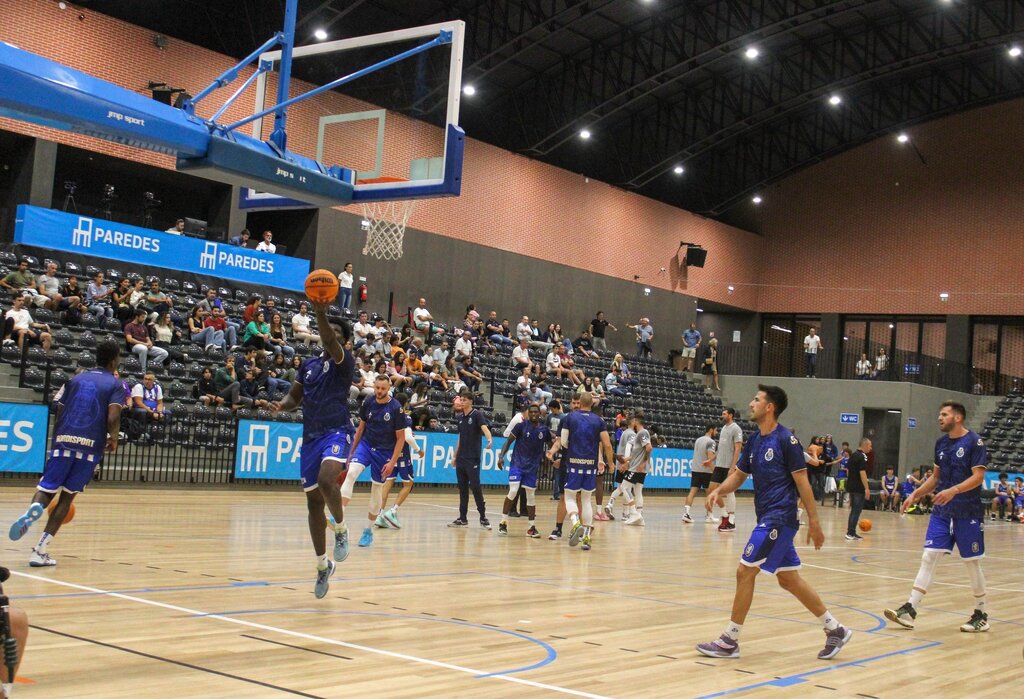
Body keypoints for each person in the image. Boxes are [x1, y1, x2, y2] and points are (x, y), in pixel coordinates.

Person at [697, 384, 852, 660]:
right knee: (788, 579)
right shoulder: (755, 441)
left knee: (745, 572)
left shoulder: (786, 441)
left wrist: (814, 521)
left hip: (779, 518)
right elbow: (740, 475)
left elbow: (802, 481)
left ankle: (730, 640)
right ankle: (835, 628)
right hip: (768, 516)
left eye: (756, 400)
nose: (751, 403)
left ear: (770, 407)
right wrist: (719, 489)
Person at [9, 340, 126, 566]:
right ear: (114, 360)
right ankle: (39, 550)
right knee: (67, 497)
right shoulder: (115, 384)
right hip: (89, 447)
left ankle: (35, 509)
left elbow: (59, 408)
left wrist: (59, 437)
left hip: (63, 439)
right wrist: (113, 438)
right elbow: (113, 417)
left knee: (46, 488)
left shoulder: (76, 378)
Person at [270, 304, 354, 598]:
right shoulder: (308, 366)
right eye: (330, 331)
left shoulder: (345, 361)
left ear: (346, 341)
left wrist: (320, 309)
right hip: (310, 437)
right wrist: (283, 405)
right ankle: (322, 565)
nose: (332, 336)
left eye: (338, 334)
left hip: (337, 430)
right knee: (313, 505)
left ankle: (341, 531)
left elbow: (329, 338)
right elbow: (295, 397)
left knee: (329, 478)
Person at [884, 401, 990, 633]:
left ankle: (981, 612)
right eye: (939, 414)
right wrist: (915, 494)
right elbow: (936, 478)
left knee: (971, 563)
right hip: (942, 512)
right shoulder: (941, 443)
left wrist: (954, 490)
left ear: (958, 418)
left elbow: (978, 477)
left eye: (944, 414)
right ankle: (910, 608)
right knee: (929, 556)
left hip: (967, 511)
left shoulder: (974, 442)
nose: (939, 418)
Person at [343, 375, 405, 548]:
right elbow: (360, 428)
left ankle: (368, 531)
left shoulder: (396, 408)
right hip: (366, 444)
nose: (379, 391)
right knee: (351, 472)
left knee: (376, 489)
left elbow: (400, 439)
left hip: (384, 452)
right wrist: (350, 452)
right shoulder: (368, 402)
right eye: (377, 388)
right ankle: (337, 516)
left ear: (389, 388)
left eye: (383, 389)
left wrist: (392, 462)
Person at [547, 392, 613, 551]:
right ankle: (587, 538)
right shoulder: (599, 421)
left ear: (579, 403)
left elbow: (562, 441)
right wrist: (610, 463)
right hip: (590, 466)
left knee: (568, 497)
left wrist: (572, 450)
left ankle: (576, 523)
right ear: (592, 404)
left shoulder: (569, 418)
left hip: (574, 463)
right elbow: (607, 444)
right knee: (585, 500)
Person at [497, 403, 550, 538]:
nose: (533, 414)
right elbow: (508, 442)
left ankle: (531, 527)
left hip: (532, 468)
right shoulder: (521, 426)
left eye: (535, 412)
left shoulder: (544, 430)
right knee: (513, 491)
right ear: (528, 413)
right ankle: (503, 522)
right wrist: (501, 456)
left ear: (540, 414)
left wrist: (552, 455)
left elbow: (552, 443)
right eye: (531, 412)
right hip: (517, 465)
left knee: (531, 497)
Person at [376, 393, 423, 530]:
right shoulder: (404, 417)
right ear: (406, 403)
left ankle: (380, 514)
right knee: (408, 484)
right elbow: (408, 437)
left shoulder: (388, 415)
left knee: (388, 483)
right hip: (402, 455)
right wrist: (419, 450)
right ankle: (393, 511)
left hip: (390, 454)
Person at [448, 389, 493, 529]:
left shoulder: (477, 414)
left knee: (475, 487)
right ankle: (463, 518)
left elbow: (484, 428)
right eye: (461, 399)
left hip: (472, 458)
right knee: (462, 489)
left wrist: (489, 439)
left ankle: (483, 517)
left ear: (471, 401)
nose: (462, 402)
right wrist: (455, 456)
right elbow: (460, 438)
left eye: (464, 400)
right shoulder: (460, 417)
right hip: (461, 458)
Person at [708, 406, 743, 531]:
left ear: (731, 415)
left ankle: (731, 521)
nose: (722, 416)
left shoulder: (736, 429)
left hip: (729, 465)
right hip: (719, 465)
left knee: (729, 492)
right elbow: (720, 448)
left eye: (724, 414)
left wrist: (733, 466)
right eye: (722, 414)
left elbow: (738, 448)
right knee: (712, 490)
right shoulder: (723, 428)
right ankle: (724, 515)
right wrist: (711, 460)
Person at [683, 424, 717, 523]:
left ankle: (686, 513)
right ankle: (709, 516)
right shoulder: (711, 442)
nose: (716, 432)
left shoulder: (698, 440)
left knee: (692, 492)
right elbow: (710, 457)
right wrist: (714, 470)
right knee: (709, 494)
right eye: (715, 430)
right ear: (711, 430)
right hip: (706, 471)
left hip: (695, 469)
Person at [622, 413, 652, 526]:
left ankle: (634, 513)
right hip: (638, 467)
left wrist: (643, 463)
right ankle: (639, 518)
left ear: (636, 421)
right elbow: (638, 452)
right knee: (638, 491)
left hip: (637, 468)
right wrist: (627, 460)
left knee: (624, 487)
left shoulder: (642, 432)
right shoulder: (640, 434)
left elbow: (649, 448)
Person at [844, 439, 872, 540]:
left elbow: (848, 470)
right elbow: (862, 472)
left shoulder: (853, 455)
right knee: (856, 510)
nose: (871, 448)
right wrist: (867, 488)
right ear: (866, 445)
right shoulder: (862, 456)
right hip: (858, 487)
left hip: (851, 486)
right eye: (870, 446)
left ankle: (850, 531)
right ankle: (851, 533)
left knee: (854, 510)